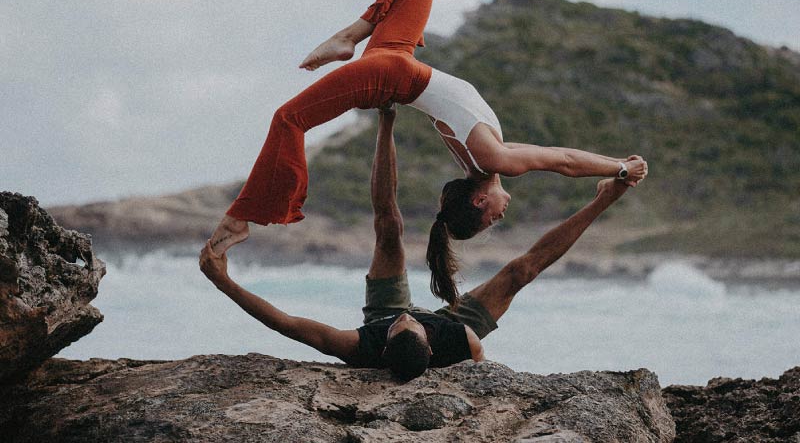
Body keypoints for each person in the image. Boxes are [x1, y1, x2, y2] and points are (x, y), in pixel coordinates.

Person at [207, 0, 647, 301]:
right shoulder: (487, 158)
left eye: (494, 216)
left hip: (391, 74)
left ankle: (241, 218)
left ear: (479, 200)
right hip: (394, 57)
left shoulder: (493, 161)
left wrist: (621, 168)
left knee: (289, 120)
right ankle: (352, 35)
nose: (503, 211)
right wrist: (616, 168)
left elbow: (564, 162)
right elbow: (558, 155)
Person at [199, 105, 633, 380]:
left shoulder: (361, 345)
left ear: (387, 342)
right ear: (429, 341)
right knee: (521, 272)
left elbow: (289, 324)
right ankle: (603, 199)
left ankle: (385, 118)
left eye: (402, 324)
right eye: (415, 323)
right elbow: (484, 372)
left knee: (389, 226)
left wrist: (224, 282)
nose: (410, 316)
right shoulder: (462, 342)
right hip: (454, 331)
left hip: (383, 316)